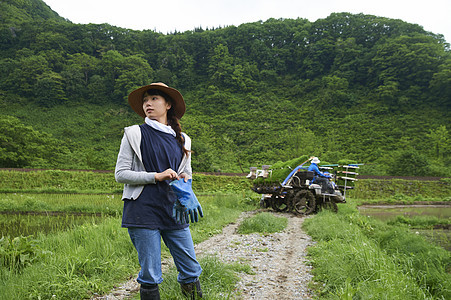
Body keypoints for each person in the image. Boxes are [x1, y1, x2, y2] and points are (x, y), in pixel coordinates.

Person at [115, 82, 202, 300]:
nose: (148, 104)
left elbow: (186, 173)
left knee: (191, 268)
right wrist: (156, 176)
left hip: (174, 209)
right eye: (145, 100)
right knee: (150, 274)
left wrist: (186, 188)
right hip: (142, 210)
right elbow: (121, 174)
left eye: (154, 99)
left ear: (168, 104)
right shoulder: (134, 134)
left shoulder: (182, 139)